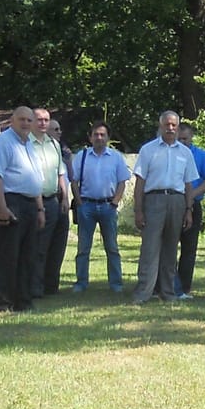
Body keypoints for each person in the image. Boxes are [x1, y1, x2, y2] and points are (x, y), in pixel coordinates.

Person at [131, 109, 198, 304]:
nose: (170, 128)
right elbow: (140, 183)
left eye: (173, 125)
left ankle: (168, 293)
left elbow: (188, 185)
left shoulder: (185, 153)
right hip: (154, 199)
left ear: (177, 127)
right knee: (150, 248)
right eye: (167, 125)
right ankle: (143, 292)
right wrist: (139, 209)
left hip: (177, 201)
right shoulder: (148, 150)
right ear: (160, 126)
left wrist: (188, 210)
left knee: (170, 249)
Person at [0, 106, 47, 313]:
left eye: (29, 120)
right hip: (11, 202)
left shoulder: (29, 144)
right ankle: (1, 303)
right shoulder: (1, 143)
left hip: (30, 204)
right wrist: (1, 207)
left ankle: (23, 301)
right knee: (6, 256)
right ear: (12, 120)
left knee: (27, 256)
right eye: (22, 120)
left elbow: (34, 178)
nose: (26, 124)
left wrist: (40, 209)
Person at [71, 121, 130, 293]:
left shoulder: (116, 157)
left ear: (108, 137)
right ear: (90, 137)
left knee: (112, 247)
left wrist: (115, 203)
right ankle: (81, 283)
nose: (99, 137)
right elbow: (73, 181)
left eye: (102, 135)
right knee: (83, 248)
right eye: (96, 134)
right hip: (86, 206)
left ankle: (116, 284)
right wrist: (79, 202)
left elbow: (122, 182)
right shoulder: (81, 156)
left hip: (107, 206)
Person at [28, 107, 72, 301]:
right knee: (39, 247)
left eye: (46, 120)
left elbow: (60, 172)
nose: (43, 123)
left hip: (55, 199)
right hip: (36, 200)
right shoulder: (26, 144)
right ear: (31, 121)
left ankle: (51, 285)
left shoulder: (54, 144)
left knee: (57, 245)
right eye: (39, 120)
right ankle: (35, 288)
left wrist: (65, 198)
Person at [175, 120, 205, 297]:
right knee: (168, 247)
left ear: (192, 137)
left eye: (186, 138)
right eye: (180, 138)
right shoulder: (170, 153)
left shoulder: (200, 155)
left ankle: (184, 287)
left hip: (194, 204)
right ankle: (166, 285)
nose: (183, 142)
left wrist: (192, 195)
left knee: (189, 248)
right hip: (174, 202)